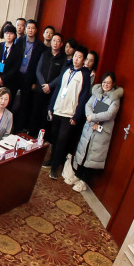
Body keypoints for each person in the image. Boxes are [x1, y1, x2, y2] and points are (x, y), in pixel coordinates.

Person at [67, 73, 121, 193]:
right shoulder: (97, 93)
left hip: (101, 132)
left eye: (108, 83)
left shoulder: (115, 99)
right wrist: (89, 116)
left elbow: (109, 114)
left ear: (113, 84)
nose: (105, 85)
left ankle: (84, 182)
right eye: (104, 82)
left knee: (93, 156)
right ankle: (78, 175)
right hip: (90, 127)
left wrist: (93, 117)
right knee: (84, 151)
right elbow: (88, 105)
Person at [46, 49, 92, 179]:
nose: (76, 59)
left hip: (69, 114)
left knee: (62, 141)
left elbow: (83, 98)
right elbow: (58, 89)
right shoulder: (67, 70)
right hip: (58, 109)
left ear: (83, 60)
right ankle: (51, 161)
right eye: (75, 56)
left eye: (79, 57)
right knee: (54, 138)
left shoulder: (85, 75)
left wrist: (76, 116)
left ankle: (54, 168)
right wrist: (51, 106)